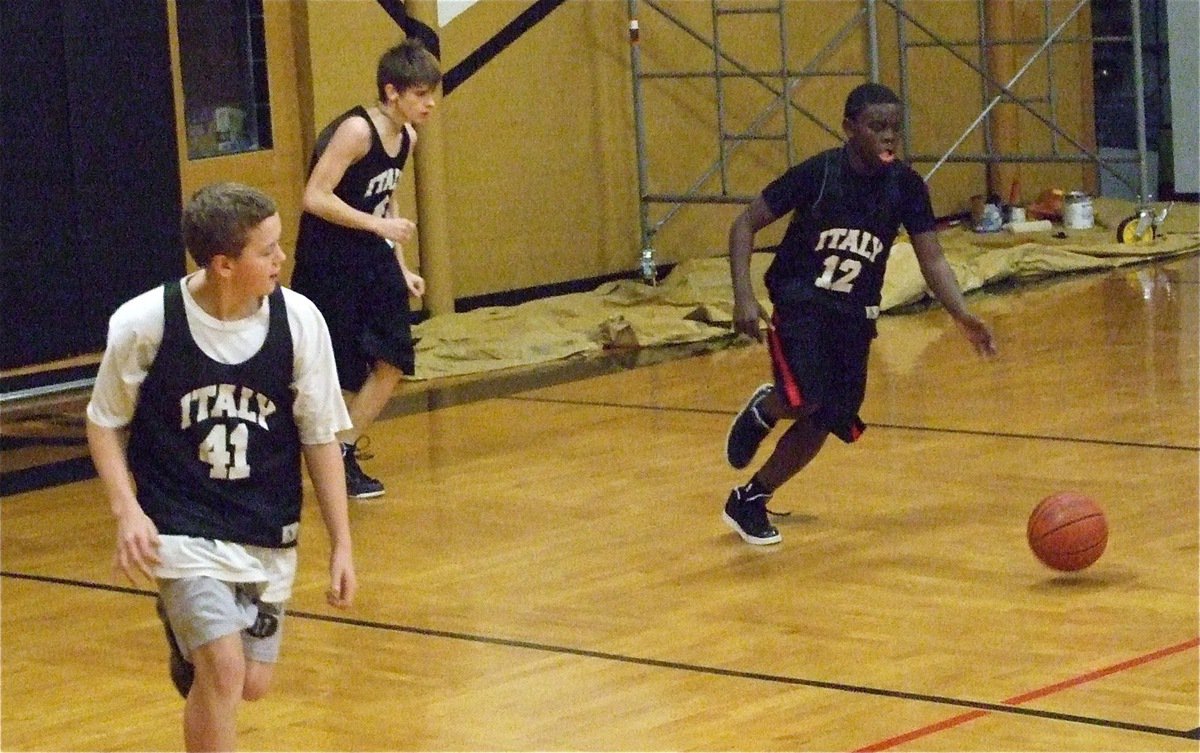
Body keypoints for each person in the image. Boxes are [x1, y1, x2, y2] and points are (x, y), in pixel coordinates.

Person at [86, 182, 358, 751]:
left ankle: (193, 648)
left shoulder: (300, 321)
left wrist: (342, 543)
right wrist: (126, 511)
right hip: (180, 526)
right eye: (268, 250)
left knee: (250, 684)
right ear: (224, 265)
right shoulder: (146, 322)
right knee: (226, 670)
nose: (282, 259)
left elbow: (320, 437)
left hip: (265, 527)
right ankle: (202, 642)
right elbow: (104, 420)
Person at [722, 82, 997, 546]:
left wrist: (962, 315)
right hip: (800, 299)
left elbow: (932, 260)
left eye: (895, 128)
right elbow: (744, 224)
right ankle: (766, 409)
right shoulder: (819, 174)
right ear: (850, 128)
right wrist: (743, 297)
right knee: (803, 395)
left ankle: (751, 498)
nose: (889, 137)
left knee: (828, 417)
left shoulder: (907, 186)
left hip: (855, 312)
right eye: (877, 127)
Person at [290, 38, 442, 499]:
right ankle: (302, 456)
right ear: (392, 92)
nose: (430, 103)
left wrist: (401, 264)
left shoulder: (407, 138)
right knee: (330, 370)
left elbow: (386, 194)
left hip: (372, 256)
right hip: (329, 260)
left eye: (432, 93)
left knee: (394, 359)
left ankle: (340, 451)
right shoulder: (356, 132)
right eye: (420, 94)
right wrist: (380, 226)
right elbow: (314, 197)